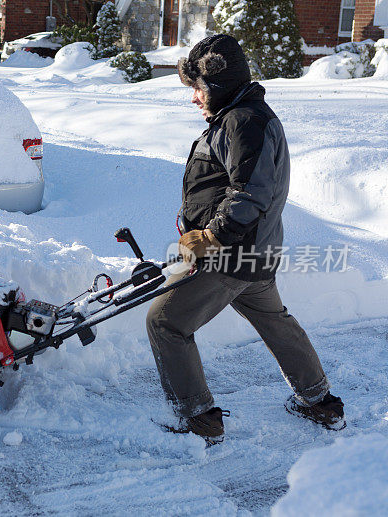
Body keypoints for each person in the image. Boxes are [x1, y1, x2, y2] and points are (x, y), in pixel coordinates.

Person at [146, 34, 345, 443]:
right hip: (255, 254)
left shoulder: (244, 121)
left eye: (198, 89)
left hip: (229, 258)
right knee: (276, 323)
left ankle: (197, 417)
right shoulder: (242, 118)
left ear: (216, 86)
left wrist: (210, 236)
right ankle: (319, 401)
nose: (194, 99)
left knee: (165, 322)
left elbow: (250, 193)